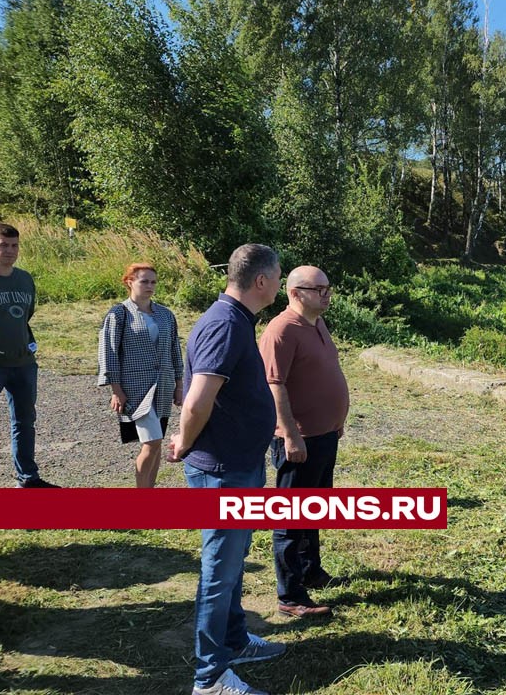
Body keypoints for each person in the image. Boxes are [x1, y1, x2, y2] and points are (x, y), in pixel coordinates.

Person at [166, 244, 286, 695]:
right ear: (261, 281)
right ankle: (209, 677)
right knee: (219, 571)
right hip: (223, 471)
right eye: (278, 275)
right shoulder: (223, 324)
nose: (280, 282)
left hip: (240, 464)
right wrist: (184, 441)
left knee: (232, 564)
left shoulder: (236, 320)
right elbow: (197, 401)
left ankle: (235, 641)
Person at [258, 265, 349, 618]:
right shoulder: (282, 330)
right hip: (298, 440)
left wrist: (335, 421)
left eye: (328, 287)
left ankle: (311, 570)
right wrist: (291, 435)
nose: (327, 294)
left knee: (314, 508)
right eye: (319, 288)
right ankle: (290, 595)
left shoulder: (317, 322)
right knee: (291, 518)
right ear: (295, 293)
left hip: (324, 435)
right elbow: (273, 385)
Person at [0, 223, 57, 488]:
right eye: (3, 245)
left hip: (23, 364)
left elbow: (26, 315)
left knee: (25, 422)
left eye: (14, 245)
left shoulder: (24, 279)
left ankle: (28, 478)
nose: (9, 251)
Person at [97, 263, 184, 487]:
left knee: (156, 441)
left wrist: (179, 383)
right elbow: (109, 352)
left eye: (153, 282)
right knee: (152, 441)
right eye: (144, 281)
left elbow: (174, 349)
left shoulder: (165, 315)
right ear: (129, 282)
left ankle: (148, 493)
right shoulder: (119, 314)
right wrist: (116, 390)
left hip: (162, 385)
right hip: (136, 388)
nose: (150, 286)